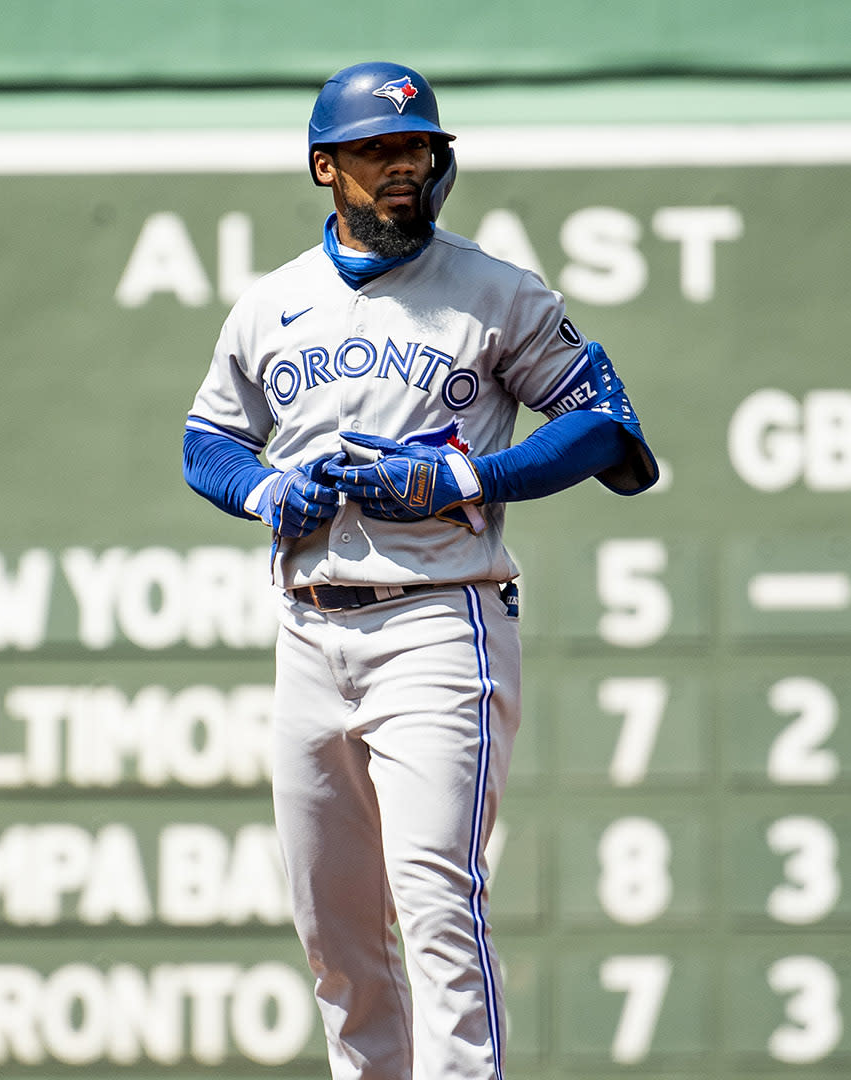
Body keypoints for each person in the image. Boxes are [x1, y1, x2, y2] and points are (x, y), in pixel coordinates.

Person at [181, 60, 658, 1079]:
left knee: (438, 901)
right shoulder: (272, 306)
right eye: (377, 150)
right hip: (308, 634)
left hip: (441, 622)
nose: (405, 167)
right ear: (326, 168)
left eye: (419, 149)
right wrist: (266, 493)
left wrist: (467, 479)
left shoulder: (494, 292)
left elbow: (605, 427)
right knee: (334, 930)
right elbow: (207, 440)